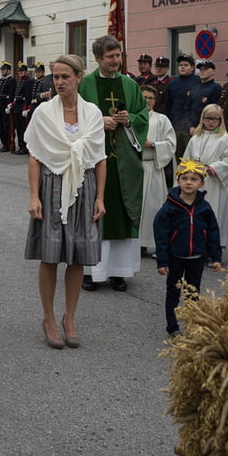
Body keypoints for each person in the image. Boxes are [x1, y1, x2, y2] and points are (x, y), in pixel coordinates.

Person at [24, 54, 107, 349]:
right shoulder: (44, 113)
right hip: (51, 185)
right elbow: (35, 156)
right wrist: (34, 195)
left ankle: (69, 317)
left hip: (83, 185)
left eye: (65, 77)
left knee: (77, 256)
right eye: (55, 77)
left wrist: (100, 197)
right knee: (49, 256)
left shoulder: (93, 113)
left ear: (78, 77)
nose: (59, 82)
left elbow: (99, 158)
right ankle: (48, 317)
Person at [78, 35, 148, 291]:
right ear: (98, 58)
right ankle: (89, 270)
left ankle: (119, 271)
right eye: (110, 56)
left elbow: (143, 116)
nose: (116, 60)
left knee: (120, 210)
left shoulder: (129, 85)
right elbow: (72, 117)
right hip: (92, 161)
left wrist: (129, 120)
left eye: (118, 55)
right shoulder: (85, 84)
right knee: (91, 211)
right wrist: (100, 122)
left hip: (123, 163)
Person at [153, 159, 222, 337]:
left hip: (196, 258)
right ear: (178, 181)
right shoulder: (170, 207)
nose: (189, 182)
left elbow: (213, 232)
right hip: (175, 257)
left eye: (194, 179)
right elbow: (161, 235)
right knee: (173, 293)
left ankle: (192, 324)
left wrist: (216, 257)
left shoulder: (204, 207)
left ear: (202, 183)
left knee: (193, 292)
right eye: (184, 178)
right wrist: (162, 261)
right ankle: (173, 327)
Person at [183, 103, 228, 248]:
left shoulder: (225, 139)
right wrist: (188, 172)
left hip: (214, 180)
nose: (211, 122)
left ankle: (212, 246)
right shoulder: (195, 138)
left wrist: (214, 168)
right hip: (195, 180)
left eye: (215, 119)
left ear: (221, 120)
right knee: (194, 215)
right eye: (208, 118)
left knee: (213, 212)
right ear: (202, 119)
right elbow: (186, 158)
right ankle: (195, 245)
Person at [139, 85, 176, 254]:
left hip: (153, 166)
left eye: (151, 98)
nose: (147, 101)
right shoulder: (133, 118)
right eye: (144, 97)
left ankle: (156, 244)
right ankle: (137, 245)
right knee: (137, 209)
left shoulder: (162, 119)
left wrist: (153, 144)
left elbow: (171, 144)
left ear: (155, 101)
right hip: (136, 168)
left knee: (154, 208)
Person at [164, 54, 198, 160]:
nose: (182, 67)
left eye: (186, 65)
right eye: (180, 65)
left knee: (191, 156)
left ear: (192, 67)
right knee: (176, 156)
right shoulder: (173, 83)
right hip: (175, 125)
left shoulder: (197, 82)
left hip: (191, 126)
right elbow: (168, 104)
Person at [188, 60, 222, 132]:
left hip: (208, 127)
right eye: (201, 69)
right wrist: (190, 126)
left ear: (213, 71)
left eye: (205, 69)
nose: (202, 71)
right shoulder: (194, 88)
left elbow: (215, 110)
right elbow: (188, 108)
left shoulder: (216, 88)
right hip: (193, 128)